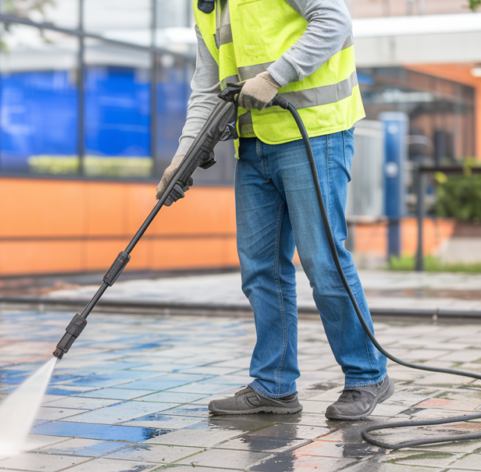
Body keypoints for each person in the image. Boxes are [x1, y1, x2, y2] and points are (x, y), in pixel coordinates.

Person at [159, 0, 392, 420]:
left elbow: (334, 19)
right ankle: (274, 386)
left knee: (322, 259)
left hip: (315, 132)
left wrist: (275, 76)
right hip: (254, 143)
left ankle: (366, 376)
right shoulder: (206, 7)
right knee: (261, 267)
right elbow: (206, 86)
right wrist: (184, 156)